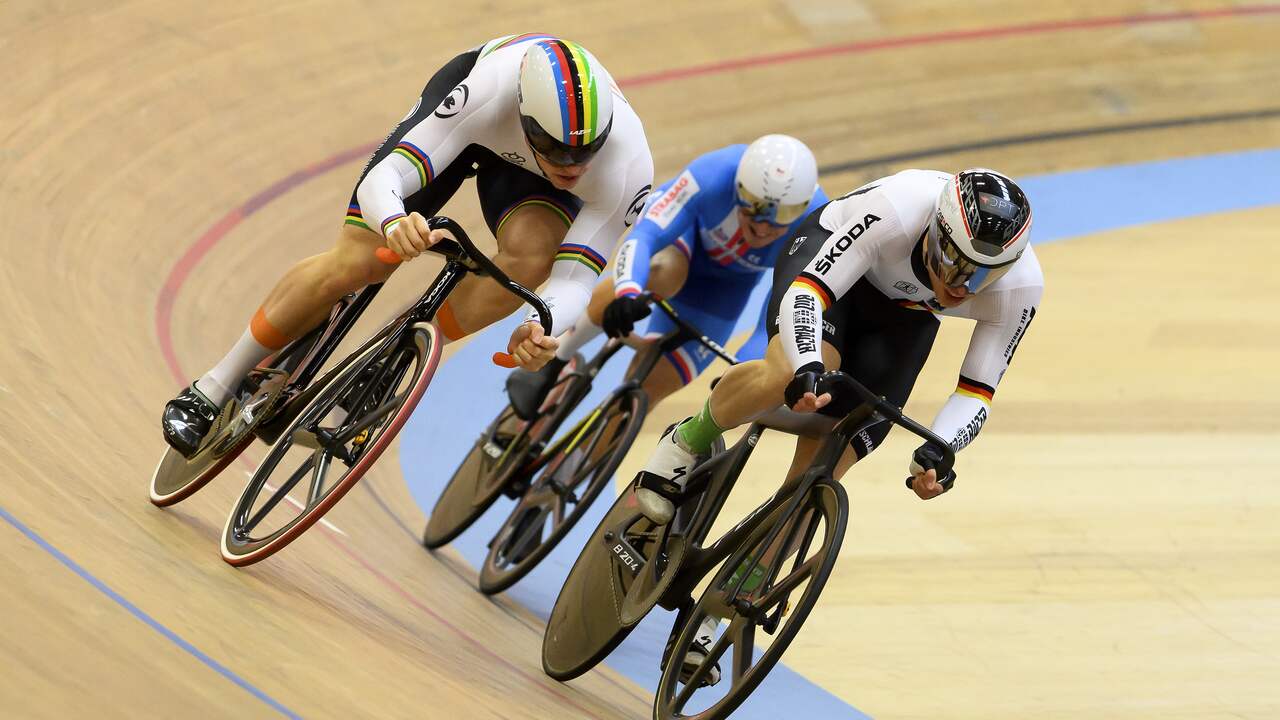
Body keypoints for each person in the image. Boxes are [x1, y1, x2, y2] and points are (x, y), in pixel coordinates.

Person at [161, 34, 654, 457]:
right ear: (527, 121)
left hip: (529, 177)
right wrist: (395, 221)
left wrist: (539, 323)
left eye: (586, 150)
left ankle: (388, 363)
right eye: (558, 150)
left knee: (530, 261)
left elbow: (575, 281)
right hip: (471, 130)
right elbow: (388, 177)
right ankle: (215, 385)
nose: (573, 164)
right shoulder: (488, 90)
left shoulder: (627, 169)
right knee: (358, 261)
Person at [635, 167, 1042, 517]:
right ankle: (686, 441)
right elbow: (808, 294)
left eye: (986, 274)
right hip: (830, 262)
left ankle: (743, 589)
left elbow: (977, 390)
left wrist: (942, 449)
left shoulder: (1020, 287)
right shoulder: (894, 211)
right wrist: (808, 364)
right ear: (937, 233)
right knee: (789, 371)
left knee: (841, 451)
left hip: (906, 312)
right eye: (958, 264)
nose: (966, 287)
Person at [505, 135, 827, 422]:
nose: (762, 229)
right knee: (664, 270)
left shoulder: (815, 225)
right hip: (681, 247)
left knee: (641, 396)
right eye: (752, 211)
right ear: (738, 190)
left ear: (799, 209)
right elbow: (644, 238)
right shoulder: (714, 174)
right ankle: (559, 356)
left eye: (780, 220)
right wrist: (628, 293)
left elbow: (776, 321)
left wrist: (746, 370)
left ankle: (572, 468)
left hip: (723, 295)